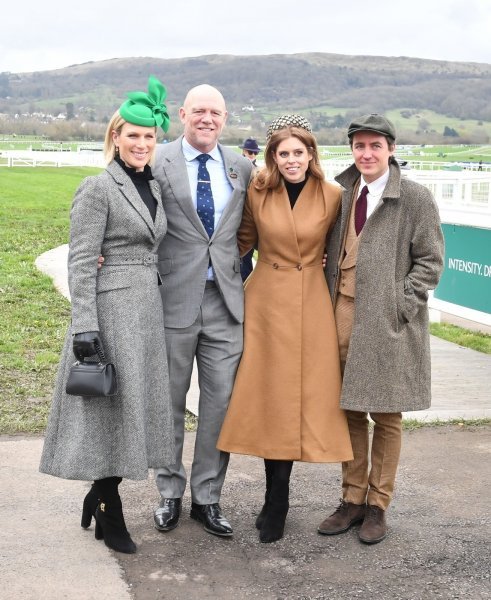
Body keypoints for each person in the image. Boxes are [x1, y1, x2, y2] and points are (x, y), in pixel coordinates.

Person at [39, 76, 175, 554]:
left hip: (146, 312)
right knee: (106, 414)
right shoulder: (97, 187)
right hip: (111, 312)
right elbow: (81, 260)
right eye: (132, 135)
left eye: (148, 136)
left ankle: (97, 497)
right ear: (115, 137)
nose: (141, 143)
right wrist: (85, 327)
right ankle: (109, 508)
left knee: (128, 413)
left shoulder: (153, 185)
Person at [217, 114, 354, 543]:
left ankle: (279, 499)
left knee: (302, 399)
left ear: (311, 154)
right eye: (283, 153)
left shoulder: (334, 195)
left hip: (312, 300)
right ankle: (274, 500)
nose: (291, 160)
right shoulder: (259, 189)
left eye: (299, 152)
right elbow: (237, 242)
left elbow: (346, 246)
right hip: (266, 301)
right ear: (273, 157)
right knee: (269, 400)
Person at [318, 114, 444, 544]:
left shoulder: (414, 198)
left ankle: (377, 505)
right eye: (359, 146)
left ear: (390, 149)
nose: (366, 154)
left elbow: (430, 261)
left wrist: (400, 305)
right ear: (352, 150)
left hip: (387, 321)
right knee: (349, 409)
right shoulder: (341, 192)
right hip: (340, 314)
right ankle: (351, 499)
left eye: (375, 146)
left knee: (386, 415)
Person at [152, 85, 252, 537]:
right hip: (173, 299)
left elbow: (253, 227)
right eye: (199, 111)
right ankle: (169, 493)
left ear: (225, 118)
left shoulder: (242, 167)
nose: (207, 118)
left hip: (225, 303)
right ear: (183, 114)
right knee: (170, 402)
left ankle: (207, 498)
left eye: (215, 112)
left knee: (220, 407)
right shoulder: (158, 163)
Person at [238, 138, 261, 280]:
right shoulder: (234, 166)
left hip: (250, 215)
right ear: (243, 151)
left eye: (254, 152)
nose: (251, 154)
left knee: (247, 257)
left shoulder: (259, 170)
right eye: (249, 152)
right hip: (235, 215)